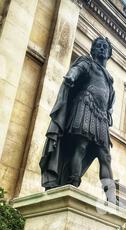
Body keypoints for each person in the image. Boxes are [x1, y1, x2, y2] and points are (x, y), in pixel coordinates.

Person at [39, 36, 117, 203]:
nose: (102, 48)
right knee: (80, 147)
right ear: (93, 50)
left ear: (109, 53)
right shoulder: (87, 63)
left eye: (105, 47)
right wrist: (71, 76)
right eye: (98, 46)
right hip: (85, 105)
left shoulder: (110, 78)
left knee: (105, 156)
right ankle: (72, 183)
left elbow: (109, 99)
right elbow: (77, 69)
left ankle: (111, 197)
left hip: (102, 117)